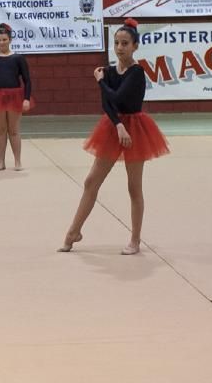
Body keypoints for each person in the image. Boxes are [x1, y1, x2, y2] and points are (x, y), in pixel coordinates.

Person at [59, 18, 169, 255]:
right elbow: (107, 104)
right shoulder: (108, 71)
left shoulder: (137, 72)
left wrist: (100, 82)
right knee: (91, 181)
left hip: (136, 129)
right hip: (114, 127)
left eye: (125, 43)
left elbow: (118, 98)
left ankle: (135, 240)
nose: (120, 48)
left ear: (135, 46)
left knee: (133, 187)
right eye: (117, 43)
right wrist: (118, 124)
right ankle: (73, 231)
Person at [0, 23, 32, 171]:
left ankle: (17, 161)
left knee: (14, 130)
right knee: (1, 131)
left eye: (4, 39)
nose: (2, 42)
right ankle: (1, 162)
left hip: (15, 96)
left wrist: (26, 98)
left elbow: (27, 80)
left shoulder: (18, 58)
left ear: (10, 40)